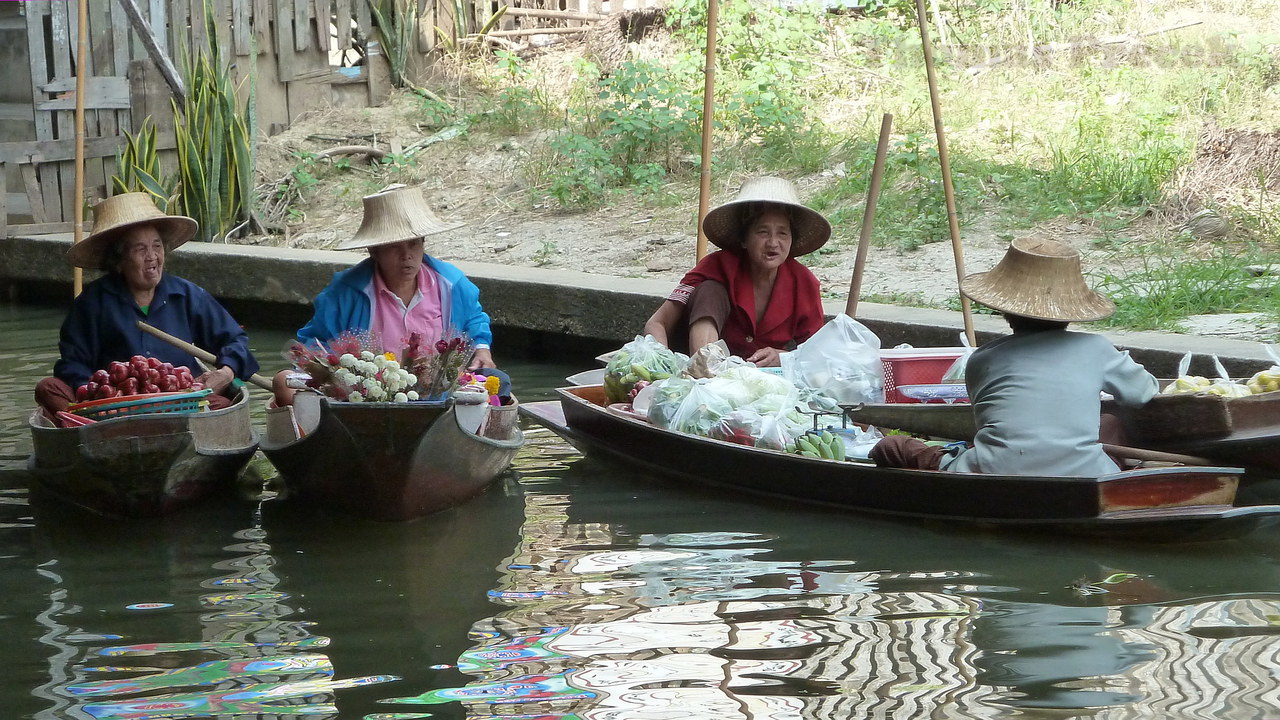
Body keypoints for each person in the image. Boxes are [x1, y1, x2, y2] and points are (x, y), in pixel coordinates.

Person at [870, 237, 1158, 476]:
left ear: (1005, 312)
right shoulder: (1096, 348)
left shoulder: (982, 359)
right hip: (1087, 474)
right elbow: (1143, 393)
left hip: (992, 471)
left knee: (891, 447)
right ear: (1070, 314)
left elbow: (989, 419)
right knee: (1112, 423)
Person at [273, 184, 507, 406]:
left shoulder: (451, 284)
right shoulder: (345, 292)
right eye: (395, 246)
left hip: (439, 392)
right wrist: (335, 374)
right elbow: (314, 344)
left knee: (499, 382)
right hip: (366, 398)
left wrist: (482, 348)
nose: (407, 256)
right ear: (374, 250)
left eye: (414, 244)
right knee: (283, 382)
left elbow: (475, 318)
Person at [35, 193, 260, 420]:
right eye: (140, 249)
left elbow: (235, 340)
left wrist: (226, 372)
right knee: (48, 389)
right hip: (114, 409)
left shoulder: (187, 295)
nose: (152, 257)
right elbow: (72, 365)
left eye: (157, 246)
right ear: (119, 261)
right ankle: (91, 427)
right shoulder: (92, 303)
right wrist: (98, 394)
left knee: (223, 404)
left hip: (181, 401)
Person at [643, 176, 830, 367]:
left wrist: (783, 357)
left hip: (756, 381)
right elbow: (657, 323)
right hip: (697, 374)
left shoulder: (804, 282)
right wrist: (660, 364)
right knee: (710, 290)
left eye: (782, 233)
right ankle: (706, 370)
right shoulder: (717, 265)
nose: (773, 243)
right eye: (762, 232)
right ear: (744, 239)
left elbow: (816, 354)